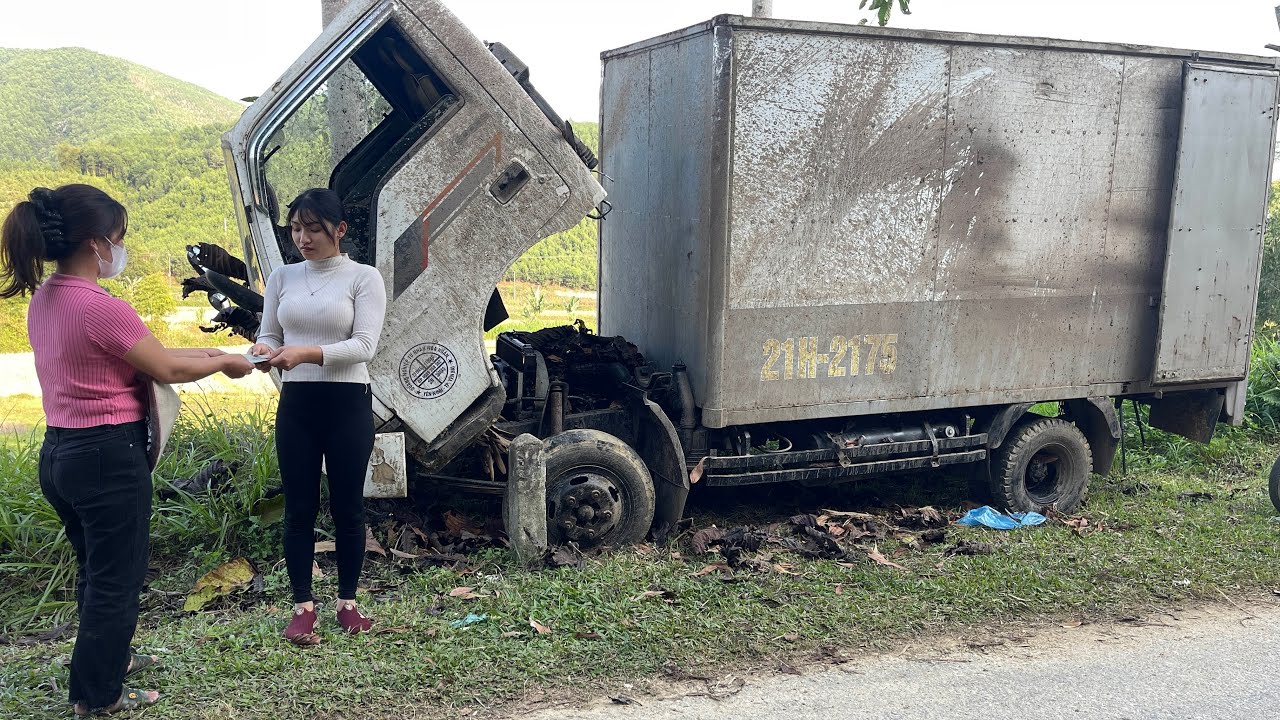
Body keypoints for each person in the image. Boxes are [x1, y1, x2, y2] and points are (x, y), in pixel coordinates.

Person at [0, 184, 255, 716]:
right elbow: (165, 367)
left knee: (96, 568)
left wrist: (212, 351)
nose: (120, 249)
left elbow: (153, 354)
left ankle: (110, 661)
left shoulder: (47, 298)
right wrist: (226, 361)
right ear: (95, 244)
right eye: (118, 239)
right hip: (106, 458)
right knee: (118, 578)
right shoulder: (100, 307)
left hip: (61, 453)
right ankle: (99, 695)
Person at [249, 188, 387, 644]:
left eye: (313, 229)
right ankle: (302, 606)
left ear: (339, 230)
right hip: (298, 405)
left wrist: (305, 352)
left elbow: (365, 346)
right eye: (295, 229)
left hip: (347, 402)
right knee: (299, 508)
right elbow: (269, 333)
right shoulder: (283, 277)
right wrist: (263, 351)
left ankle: (348, 601)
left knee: (348, 506)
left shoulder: (363, 278)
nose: (302, 239)